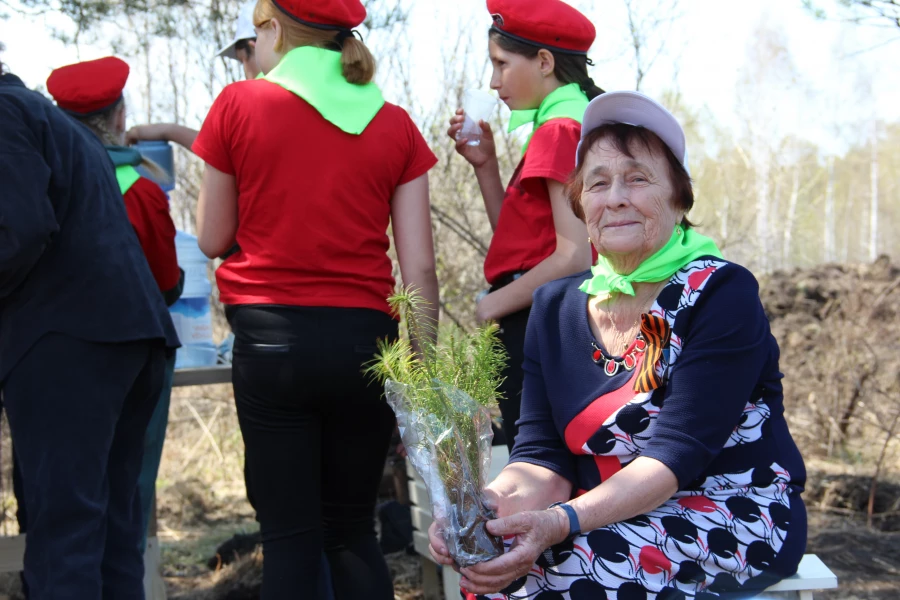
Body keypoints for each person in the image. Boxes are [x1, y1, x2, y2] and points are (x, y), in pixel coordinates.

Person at [428, 91, 807, 598]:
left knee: (567, 569)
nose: (616, 197)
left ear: (679, 197)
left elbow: (676, 455)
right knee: (499, 562)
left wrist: (559, 522)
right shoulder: (554, 305)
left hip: (729, 509)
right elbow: (541, 456)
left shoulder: (721, 292)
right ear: (580, 204)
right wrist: (484, 510)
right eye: (598, 183)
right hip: (600, 513)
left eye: (638, 178)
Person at [191, 0, 440, 597]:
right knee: (352, 530)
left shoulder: (238, 105)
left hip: (274, 347)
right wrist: (423, 372)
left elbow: (211, 238)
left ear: (274, 29)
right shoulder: (395, 122)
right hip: (366, 347)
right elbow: (420, 268)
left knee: (289, 538)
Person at [0, 50, 180, 598]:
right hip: (132, 341)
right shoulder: (50, 122)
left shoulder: (6, 115)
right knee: (110, 535)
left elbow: (19, 231)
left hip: (70, 348)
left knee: (64, 537)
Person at [448, 0, 602, 452]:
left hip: (542, 319)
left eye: (501, 64)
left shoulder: (558, 130)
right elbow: (522, 244)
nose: (494, 82)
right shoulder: (570, 122)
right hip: (549, 314)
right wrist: (486, 167)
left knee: (537, 457)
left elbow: (575, 255)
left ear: (544, 61)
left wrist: (492, 305)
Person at [46, 55, 185, 554]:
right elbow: (167, 284)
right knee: (128, 489)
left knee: (68, 498)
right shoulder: (142, 190)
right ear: (121, 117)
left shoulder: (46, 182)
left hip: (57, 354)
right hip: (136, 352)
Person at [125, 0, 259, 149]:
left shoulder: (249, 101)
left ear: (257, 46)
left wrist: (168, 131)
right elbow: (220, 148)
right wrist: (169, 130)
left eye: (243, 60)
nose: (246, 72)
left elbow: (217, 150)